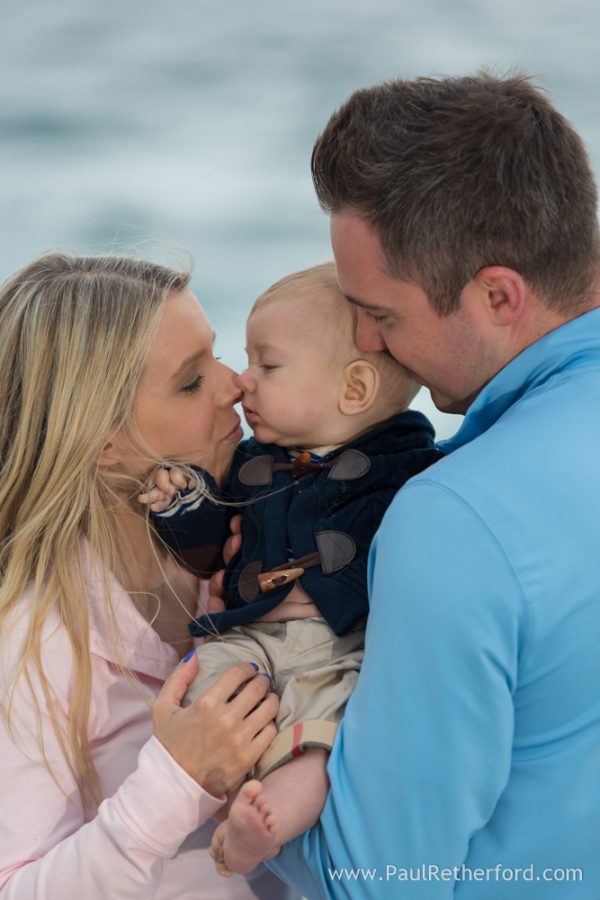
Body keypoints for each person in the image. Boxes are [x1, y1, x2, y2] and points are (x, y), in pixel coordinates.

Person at [261, 74, 600, 898]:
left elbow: (373, 883)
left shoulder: (456, 517)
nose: (365, 340)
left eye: (380, 312)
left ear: (496, 295)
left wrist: (225, 773)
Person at [0, 252, 299, 900]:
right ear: (103, 439)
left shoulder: (243, 542)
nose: (234, 385)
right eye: (191, 381)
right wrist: (177, 778)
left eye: (215, 356)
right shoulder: (28, 642)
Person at [143, 262, 440, 877]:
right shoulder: (252, 461)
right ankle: (224, 803)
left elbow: (423, 565)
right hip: (245, 635)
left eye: (267, 366)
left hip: (334, 648)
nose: (242, 382)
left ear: (353, 390)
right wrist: (181, 502)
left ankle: (263, 825)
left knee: (319, 736)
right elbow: (207, 535)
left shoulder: (412, 467)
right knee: (203, 696)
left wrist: (344, 596)